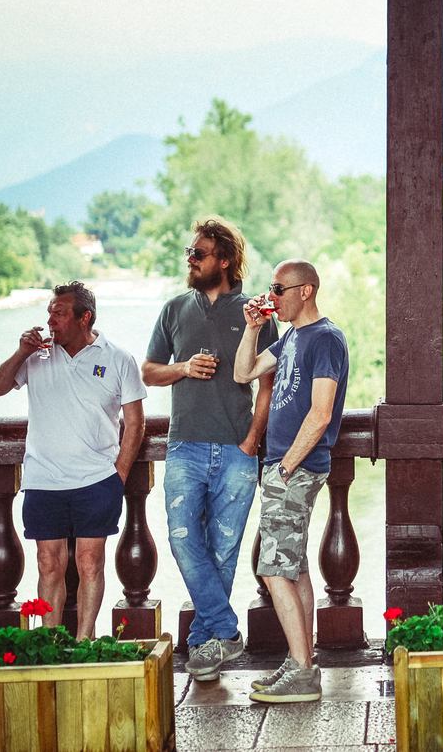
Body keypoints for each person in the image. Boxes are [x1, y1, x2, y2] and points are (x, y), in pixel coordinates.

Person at [141, 218, 278, 681]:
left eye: (199, 253)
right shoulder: (174, 309)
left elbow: (269, 386)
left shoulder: (255, 312)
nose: (191, 258)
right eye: (190, 251)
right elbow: (148, 371)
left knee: (224, 551)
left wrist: (252, 439)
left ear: (224, 260)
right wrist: (182, 368)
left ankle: (204, 644)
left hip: (238, 449)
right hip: (184, 446)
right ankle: (225, 629)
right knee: (183, 539)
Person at [0, 281, 147, 639]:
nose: (50, 320)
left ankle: (85, 639)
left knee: (90, 562)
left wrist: (117, 477)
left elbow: (135, 423)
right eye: (50, 313)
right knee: (48, 564)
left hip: (97, 480)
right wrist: (19, 353)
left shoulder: (118, 359)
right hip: (44, 479)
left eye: (59, 313)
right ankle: (51, 642)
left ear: (84, 317)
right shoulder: (36, 356)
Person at [233, 259, 348, 704]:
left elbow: (321, 413)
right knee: (293, 566)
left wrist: (284, 469)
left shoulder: (325, 338)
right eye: (271, 288)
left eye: (279, 289)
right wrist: (250, 327)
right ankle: (302, 660)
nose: (272, 296)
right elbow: (243, 373)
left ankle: (301, 671)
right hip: (284, 465)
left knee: (272, 567)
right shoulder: (291, 337)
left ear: (306, 290)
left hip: (294, 467)